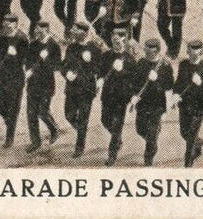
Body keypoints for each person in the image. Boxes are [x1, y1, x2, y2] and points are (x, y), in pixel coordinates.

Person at [61, 21, 101, 158]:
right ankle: (81, 130)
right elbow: (64, 65)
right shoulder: (71, 47)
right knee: (69, 115)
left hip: (86, 90)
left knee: (83, 118)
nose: (73, 32)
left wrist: (90, 61)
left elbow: (99, 69)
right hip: (72, 88)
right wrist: (66, 74)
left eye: (76, 30)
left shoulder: (94, 49)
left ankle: (79, 146)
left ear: (84, 33)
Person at [175, 39, 203, 167]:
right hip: (184, 104)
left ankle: (188, 163)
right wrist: (176, 94)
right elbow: (178, 82)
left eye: (196, 50)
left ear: (201, 52)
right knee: (184, 132)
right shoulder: (183, 65)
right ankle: (198, 144)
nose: (193, 52)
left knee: (191, 135)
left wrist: (201, 84)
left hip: (199, 107)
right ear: (187, 51)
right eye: (190, 49)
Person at [99, 27, 136, 166]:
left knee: (116, 126)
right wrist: (100, 79)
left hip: (121, 97)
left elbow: (133, 79)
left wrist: (122, 71)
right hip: (107, 95)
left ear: (124, 40)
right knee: (105, 120)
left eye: (118, 41)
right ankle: (118, 139)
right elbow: (101, 71)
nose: (115, 43)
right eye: (113, 40)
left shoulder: (130, 59)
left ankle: (112, 155)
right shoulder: (106, 56)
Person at [134, 38, 173, 166]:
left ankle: (149, 157)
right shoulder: (141, 63)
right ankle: (152, 139)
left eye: (149, 49)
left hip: (157, 104)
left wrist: (157, 79)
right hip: (143, 102)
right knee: (140, 129)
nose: (145, 51)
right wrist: (134, 96)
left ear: (156, 51)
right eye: (145, 48)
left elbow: (169, 85)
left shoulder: (165, 65)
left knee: (151, 133)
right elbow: (135, 81)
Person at [24, 21, 62, 152]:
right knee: (31, 113)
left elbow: (57, 66)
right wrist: (28, 70)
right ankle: (35, 141)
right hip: (33, 83)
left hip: (46, 84)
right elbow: (28, 60)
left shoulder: (54, 45)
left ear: (46, 30)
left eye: (40, 30)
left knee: (43, 111)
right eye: (36, 30)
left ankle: (54, 129)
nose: (37, 32)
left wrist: (45, 60)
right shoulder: (33, 44)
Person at [0, 14, 27, 148]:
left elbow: (26, 58)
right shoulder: (1, 36)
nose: (6, 26)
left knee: (13, 108)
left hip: (16, 78)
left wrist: (16, 55)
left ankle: (9, 136)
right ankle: (10, 123)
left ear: (15, 24)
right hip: (2, 77)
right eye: (4, 24)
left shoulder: (22, 38)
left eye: (9, 24)